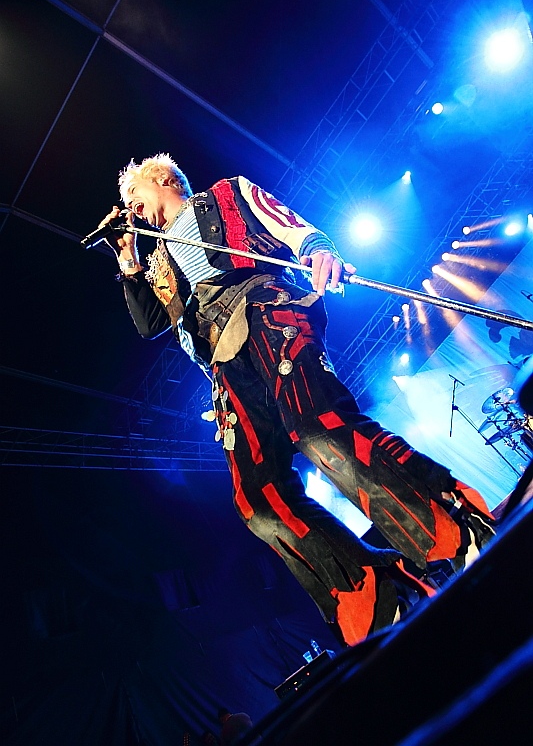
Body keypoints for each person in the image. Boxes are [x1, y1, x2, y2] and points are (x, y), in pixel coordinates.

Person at [97, 153, 495, 647]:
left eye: (135, 197)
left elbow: (286, 224)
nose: (133, 210)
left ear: (162, 179)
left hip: (265, 311)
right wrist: (129, 263)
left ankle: (454, 527)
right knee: (257, 497)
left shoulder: (223, 195)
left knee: (319, 429)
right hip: (223, 362)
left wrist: (319, 247)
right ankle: (372, 595)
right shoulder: (156, 258)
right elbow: (149, 324)